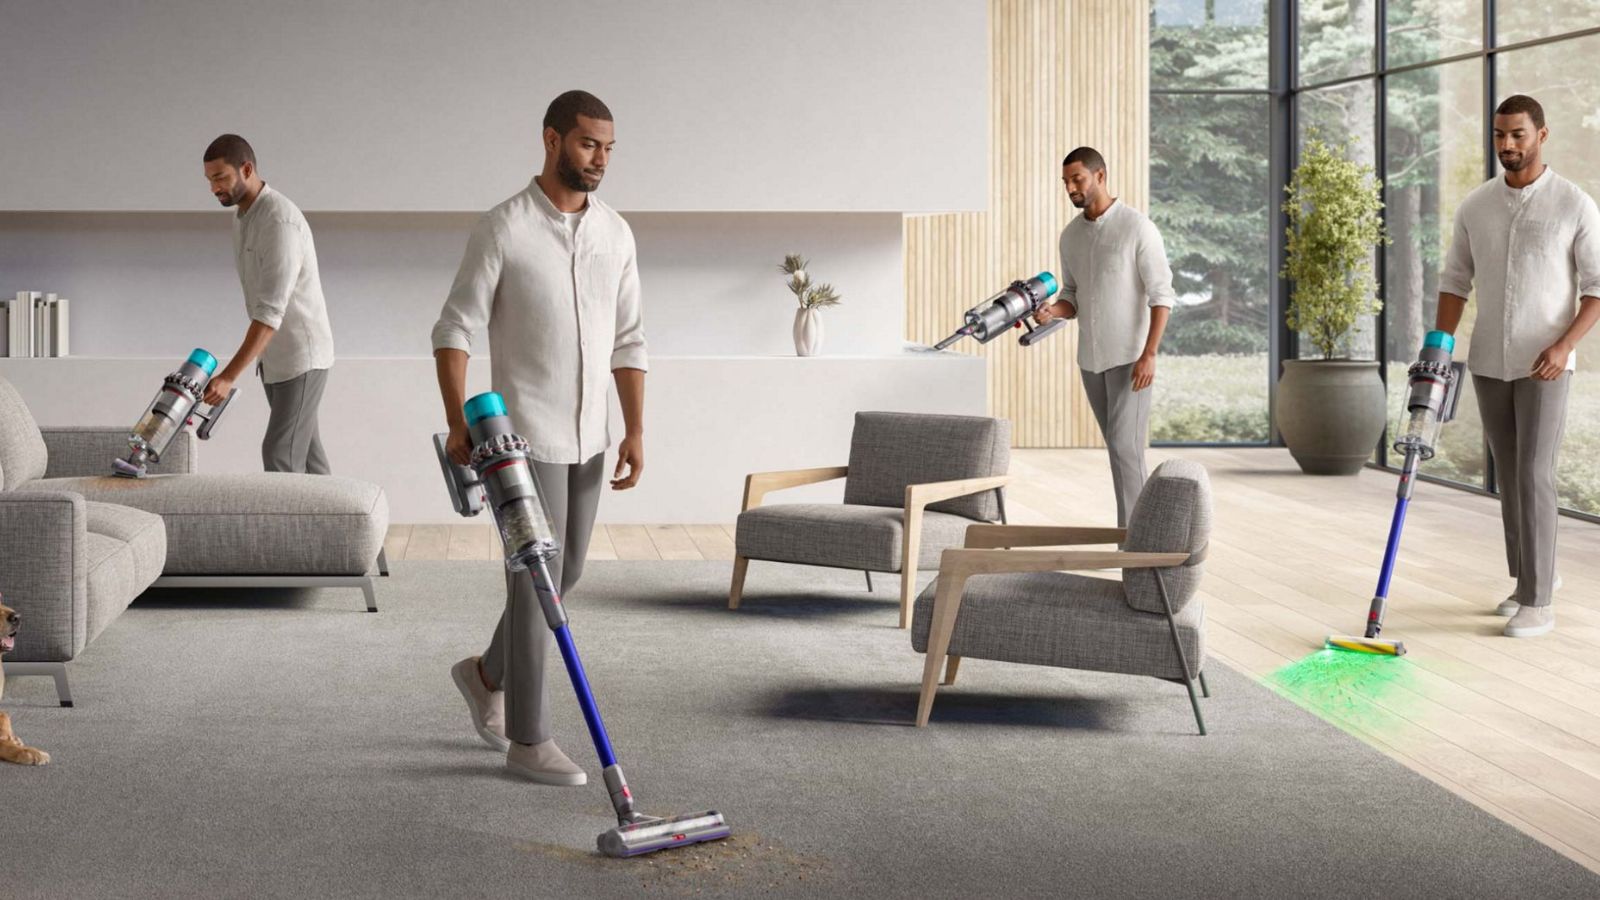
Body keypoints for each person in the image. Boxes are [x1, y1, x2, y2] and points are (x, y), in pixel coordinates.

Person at [432, 90, 647, 784]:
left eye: (608, 148)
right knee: (535, 581)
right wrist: (458, 420)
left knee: (567, 571)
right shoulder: (504, 228)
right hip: (519, 438)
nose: (600, 159)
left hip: (591, 434)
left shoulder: (616, 233)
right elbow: (454, 328)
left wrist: (635, 427)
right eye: (588, 144)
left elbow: (630, 338)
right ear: (552, 140)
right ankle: (529, 740)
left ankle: (484, 674)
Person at [1436, 94, 1600, 638]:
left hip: (1545, 363)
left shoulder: (1574, 204)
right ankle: (1528, 577)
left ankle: (1539, 600)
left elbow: (1597, 289)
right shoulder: (1475, 206)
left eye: (1518, 135)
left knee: (1534, 472)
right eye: (1499, 134)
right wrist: (1438, 348)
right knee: (1509, 474)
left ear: (1541, 136)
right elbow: (1454, 282)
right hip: (1489, 359)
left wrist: (1563, 346)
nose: (1507, 144)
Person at [1035, 146, 1175, 528]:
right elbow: (1071, 296)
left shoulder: (1137, 228)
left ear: (1100, 175)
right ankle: (1139, 536)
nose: (1070, 188)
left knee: (1125, 448)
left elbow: (1162, 295)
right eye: (1065, 182)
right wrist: (1051, 311)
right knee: (1119, 450)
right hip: (1090, 361)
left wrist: (1150, 354)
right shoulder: (1070, 236)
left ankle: (1136, 542)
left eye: (1077, 179)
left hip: (1131, 359)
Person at [201, 134, 336, 473]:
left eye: (220, 177)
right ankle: (341, 511)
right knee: (309, 461)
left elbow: (270, 312)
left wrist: (228, 376)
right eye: (209, 180)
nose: (214, 188)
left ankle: (293, 515)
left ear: (246, 169)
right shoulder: (243, 217)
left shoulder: (279, 221)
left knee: (279, 455)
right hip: (274, 361)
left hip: (300, 359)